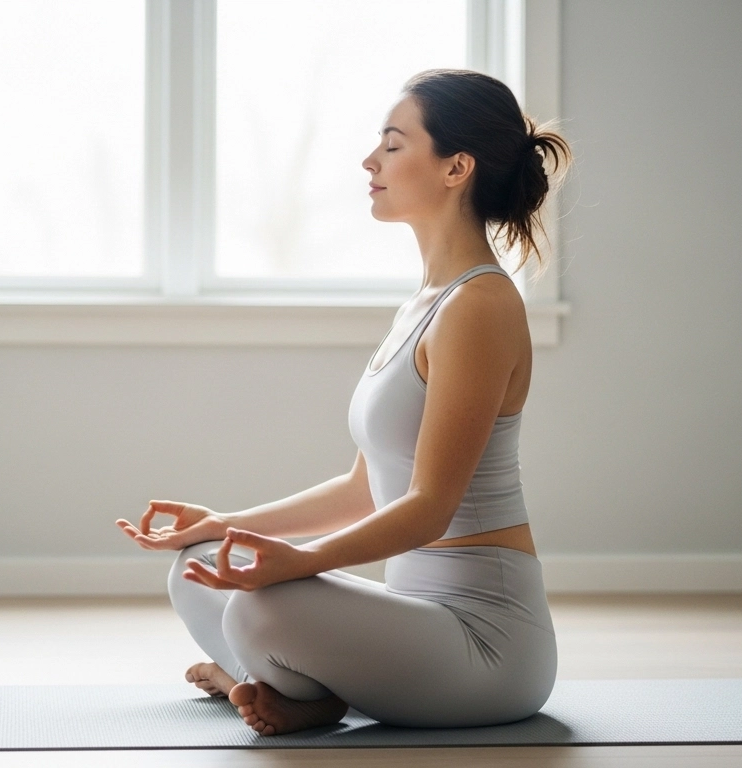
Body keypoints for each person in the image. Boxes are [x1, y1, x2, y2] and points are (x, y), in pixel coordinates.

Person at [114, 68, 573, 736]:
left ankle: (280, 680)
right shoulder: (426, 303)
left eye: (392, 144)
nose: (370, 161)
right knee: (200, 568)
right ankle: (298, 689)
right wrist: (225, 523)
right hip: (417, 626)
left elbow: (429, 507)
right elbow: (367, 487)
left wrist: (303, 562)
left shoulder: (480, 306)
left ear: (456, 168)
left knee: (258, 608)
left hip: (487, 649)